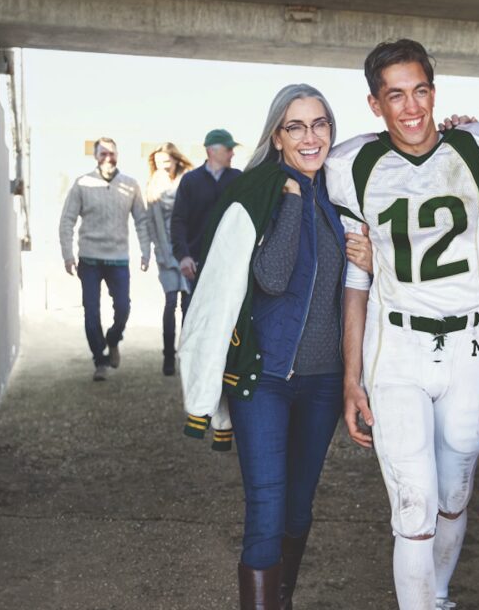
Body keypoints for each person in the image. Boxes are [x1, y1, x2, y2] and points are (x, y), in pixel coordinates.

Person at [326, 39, 479, 610]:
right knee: (415, 503)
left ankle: (440, 596)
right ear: (375, 104)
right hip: (396, 347)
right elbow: (357, 281)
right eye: (395, 95)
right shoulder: (354, 164)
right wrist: (350, 376)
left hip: (470, 347)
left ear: (435, 91)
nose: (411, 107)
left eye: (420, 90)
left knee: (454, 494)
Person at [177, 85, 373, 610]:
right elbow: (271, 275)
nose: (310, 138)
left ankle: (278, 601)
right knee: (265, 509)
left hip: (324, 382)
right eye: (295, 127)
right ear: (277, 137)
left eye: (320, 125)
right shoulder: (261, 190)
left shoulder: (343, 194)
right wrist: (289, 203)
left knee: (298, 510)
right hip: (262, 378)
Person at [59, 137, 151, 381]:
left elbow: (141, 219)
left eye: (111, 153)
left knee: (123, 308)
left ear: (118, 155)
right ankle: (99, 360)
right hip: (89, 258)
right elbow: (67, 220)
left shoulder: (130, 185)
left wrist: (145, 250)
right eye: (102, 154)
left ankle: (113, 339)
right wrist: (67, 255)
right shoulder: (83, 184)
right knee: (91, 312)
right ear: (95, 156)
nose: (108, 158)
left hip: (119, 258)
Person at [170, 127, 242, 299]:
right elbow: (178, 220)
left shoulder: (238, 179)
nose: (232, 154)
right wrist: (183, 256)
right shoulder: (191, 180)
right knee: (194, 314)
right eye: (228, 149)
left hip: (228, 264)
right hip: (196, 263)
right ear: (211, 150)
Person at [145, 142, 193, 376]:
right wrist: (158, 251)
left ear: (175, 160)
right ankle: (168, 356)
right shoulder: (153, 187)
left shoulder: (188, 182)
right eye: (159, 163)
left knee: (187, 304)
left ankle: (186, 352)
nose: (164, 166)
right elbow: (150, 223)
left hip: (187, 250)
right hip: (165, 252)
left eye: (167, 162)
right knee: (170, 302)